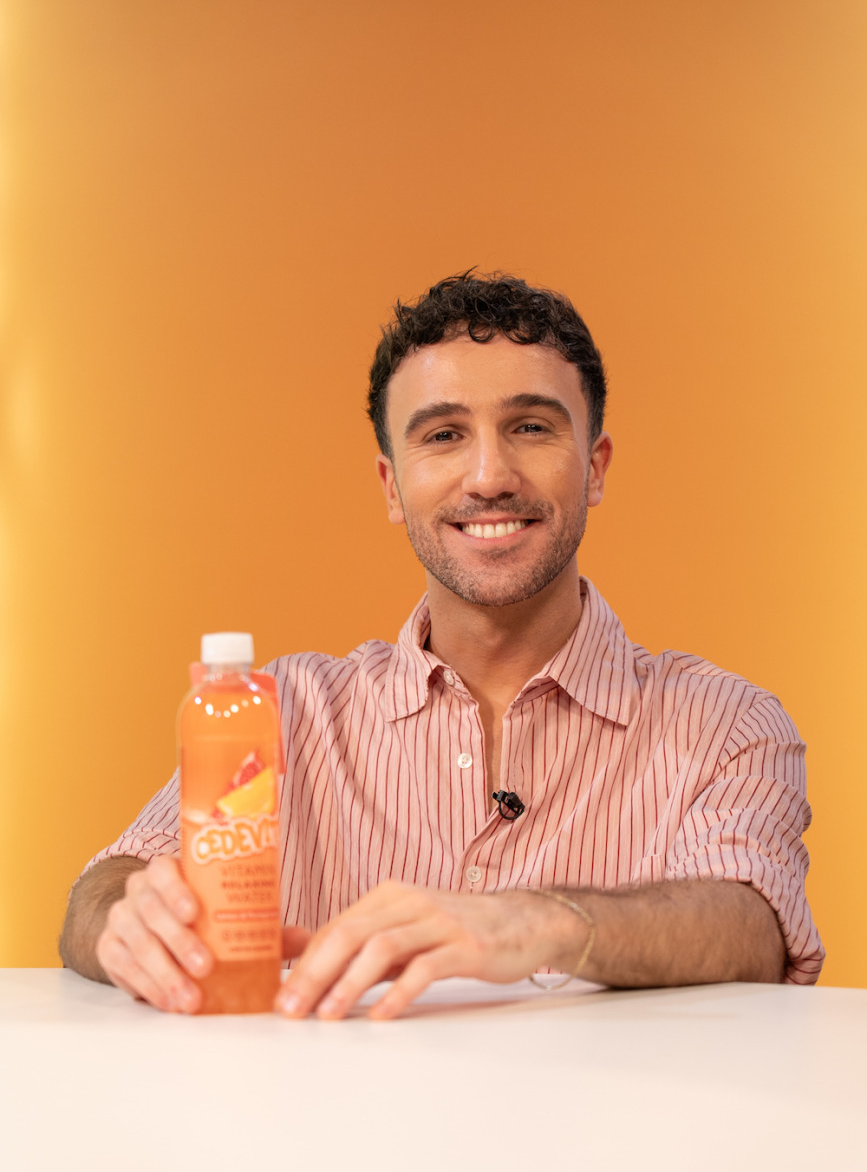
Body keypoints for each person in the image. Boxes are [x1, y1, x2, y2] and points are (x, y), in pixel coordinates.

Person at [59, 271, 824, 1018]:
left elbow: (751, 927)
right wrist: (128, 921)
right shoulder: (282, 711)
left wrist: (534, 922)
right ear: (392, 487)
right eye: (443, 435)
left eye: (530, 427)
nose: (488, 476)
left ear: (593, 469)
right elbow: (102, 890)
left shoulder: (728, 726)